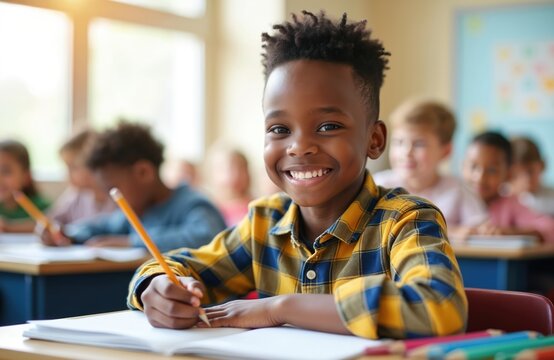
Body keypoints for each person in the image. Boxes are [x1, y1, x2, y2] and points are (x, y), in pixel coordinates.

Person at [127, 11, 467, 340]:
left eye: (328, 126)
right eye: (279, 128)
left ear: (374, 140)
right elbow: (179, 268)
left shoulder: (405, 220)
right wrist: (156, 289)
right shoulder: (264, 223)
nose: (299, 147)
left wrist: (283, 307)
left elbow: (439, 307)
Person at [40, 121, 227, 252]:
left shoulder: (193, 204)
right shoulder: (139, 210)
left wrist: (132, 242)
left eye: (113, 189)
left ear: (143, 173)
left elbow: (205, 236)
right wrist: (68, 234)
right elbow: (103, 226)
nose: (111, 198)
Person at [373, 99, 488, 239]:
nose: (406, 152)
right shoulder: (378, 185)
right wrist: (448, 231)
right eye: (399, 142)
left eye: (419, 144)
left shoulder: (458, 189)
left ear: (445, 151)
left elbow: (481, 229)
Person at [462, 131, 554, 243]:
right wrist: (454, 231)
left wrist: (512, 233)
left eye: (492, 170)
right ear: (463, 166)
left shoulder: (510, 204)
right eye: (473, 166)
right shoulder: (452, 196)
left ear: (508, 174)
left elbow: (549, 228)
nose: (480, 178)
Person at [48, 129, 116, 225]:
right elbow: (50, 220)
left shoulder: (115, 197)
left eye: (73, 168)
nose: (67, 175)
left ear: (94, 165)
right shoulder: (75, 195)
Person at [0, 139, 50, 233]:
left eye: (6, 171)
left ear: (26, 176)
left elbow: (48, 224)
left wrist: (9, 227)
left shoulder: (41, 206)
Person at [205, 145, 253, 226]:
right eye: (223, 169)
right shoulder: (208, 209)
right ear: (210, 174)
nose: (234, 175)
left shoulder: (257, 206)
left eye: (240, 168)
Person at [509, 136, 554, 217]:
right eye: (518, 174)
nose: (526, 179)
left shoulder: (552, 196)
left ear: (542, 165)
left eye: (530, 171)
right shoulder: (503, 197)